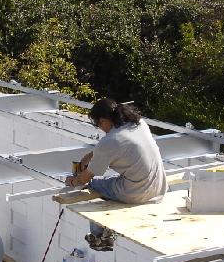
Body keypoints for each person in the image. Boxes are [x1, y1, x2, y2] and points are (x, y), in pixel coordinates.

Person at [65, 99, 167, 249]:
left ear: (103, 120)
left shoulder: (109, 141)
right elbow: (116, 146)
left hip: (137, 192)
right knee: (111, 180)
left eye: (99, 125)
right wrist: (91, 156)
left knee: (93, 185)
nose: (101, 129)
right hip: (159, 187)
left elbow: (85, 178)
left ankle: (100, 238)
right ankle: (105, 232)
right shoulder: (139, 124)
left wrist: (72, 181)